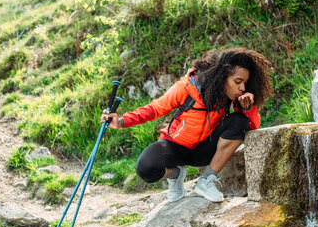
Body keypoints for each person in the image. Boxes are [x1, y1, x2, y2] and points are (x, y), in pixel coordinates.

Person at [101, 47, 273, 202]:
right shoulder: (187, 87)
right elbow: (155, 109)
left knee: (240, 120)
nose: (242, 87)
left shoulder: (232, 98)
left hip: (204, 151)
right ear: (222, 76)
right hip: (175, 147)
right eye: (238, 82)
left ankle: (207, 181)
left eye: (245, 83)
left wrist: (248, 108)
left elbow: (251, 126)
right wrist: (122, 121)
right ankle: (176, 174)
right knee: (145, 169)